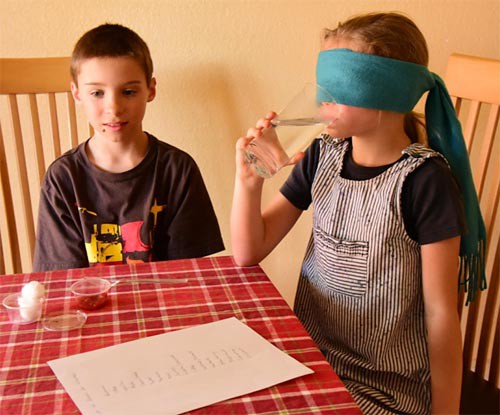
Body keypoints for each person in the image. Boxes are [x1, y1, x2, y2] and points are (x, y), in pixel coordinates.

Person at [231, 12, 486, 415]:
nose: (319, 104)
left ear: (384, 91)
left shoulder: (424, 182)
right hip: (312, 364)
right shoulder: (321, 154)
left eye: (333, 93)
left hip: (386, 388)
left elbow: (441, 314)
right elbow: (249, 251)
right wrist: (249, 182)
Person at [33, 23, 224, 271]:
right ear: (77, 93)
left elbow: (188, 273)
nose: (114, 108)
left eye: (128, 91)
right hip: (92, 307)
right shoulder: (63, 179)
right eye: (97, 93)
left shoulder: (177, 170)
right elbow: (65, 282)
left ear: (150, 90)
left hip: (164, 304)